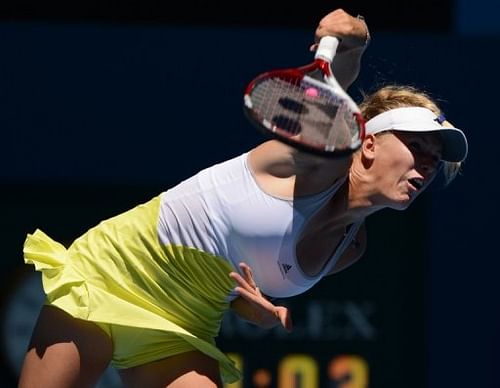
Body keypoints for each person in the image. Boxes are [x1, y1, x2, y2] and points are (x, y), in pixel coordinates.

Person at [18, 9, 468, 388]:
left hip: (184, 327)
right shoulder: (319, 162)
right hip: (114, 273)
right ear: (367, 142)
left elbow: (237, 277)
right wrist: (355, 38)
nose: (427, 164)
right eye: (418, 146)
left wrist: (257, 313)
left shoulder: (351, 247)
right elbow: (328, 105)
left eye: (435, 157)